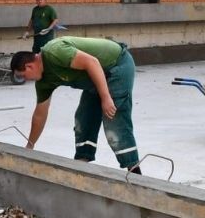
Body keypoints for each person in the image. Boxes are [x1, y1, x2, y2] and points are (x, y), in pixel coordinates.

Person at [10, 37, 141, 174]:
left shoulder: (54, 52)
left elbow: (92, 62)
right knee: (83, 118)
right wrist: (30, 145)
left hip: (116, 66)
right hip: (95, 79)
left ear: (29, 66)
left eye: (23, 76)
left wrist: (106, 97)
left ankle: (134, 171)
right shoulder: (44, 81)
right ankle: (82, 162)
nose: (25, 80)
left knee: (114, 121)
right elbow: (40, 114)